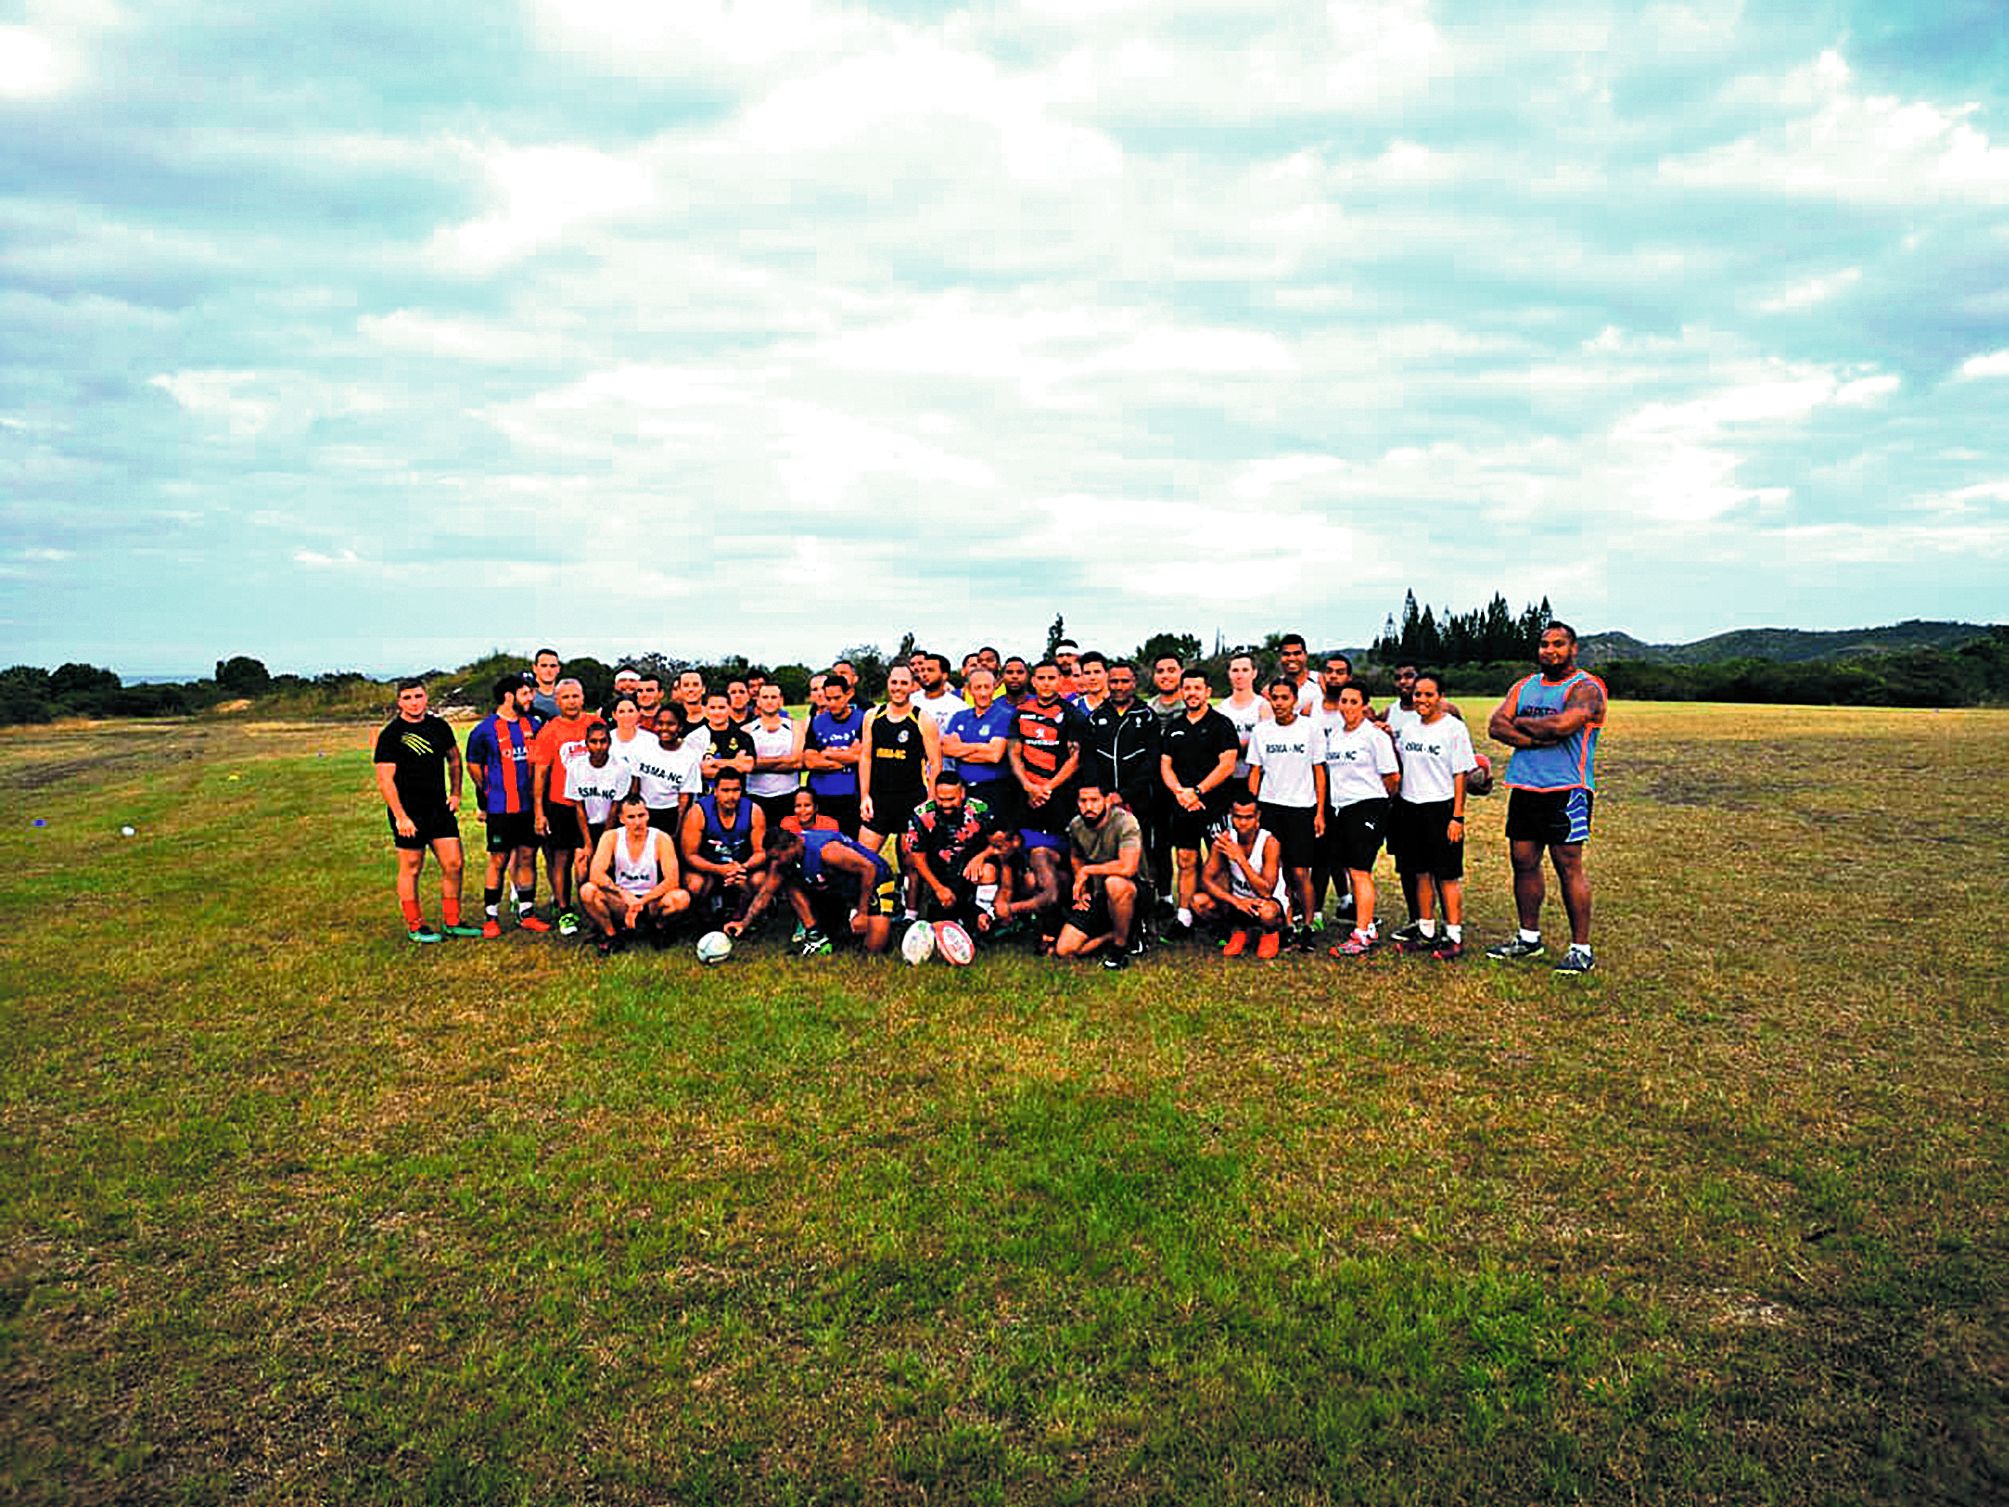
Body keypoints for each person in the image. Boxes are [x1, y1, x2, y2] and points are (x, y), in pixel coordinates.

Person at [1485, 622, 1608, 975]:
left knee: (1568, 865)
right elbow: (1496, 725)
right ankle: (1528, 938)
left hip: (1567, 788)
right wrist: (1534, 738)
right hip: (1525, 786)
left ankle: (1580, 948)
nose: (1550, 651)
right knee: (1523, 861)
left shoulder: (1586, 687)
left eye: (1558, 644)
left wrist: (1520, 723)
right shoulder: (1525, 686)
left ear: (1573, 649)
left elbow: (1563, 726)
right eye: (1544, 645)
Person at [372, 678, 476, 943]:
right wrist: (400, 816)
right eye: (407, 698)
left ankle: (453, 921)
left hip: (438, 809)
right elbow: (385, 780)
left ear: (426, 698)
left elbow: (454, 759)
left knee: (454, 863)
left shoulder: (439, 727)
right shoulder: (391, 735)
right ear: (399, 702)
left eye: (418, 696)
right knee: (412, 867)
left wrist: (455, 793)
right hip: (408, 813)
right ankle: (415, 925)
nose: (414, 702)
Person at [1390, 672, 1476, 959]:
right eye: (1417, 694)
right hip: (1410, 807)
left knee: (1447, 875)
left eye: (1428, 694)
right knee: (1420, 873)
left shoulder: (1453, 729)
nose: (1422, 700)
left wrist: (1457, 817)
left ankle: (1453, 935)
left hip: (1441, 808)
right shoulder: (1411, 729)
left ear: (1440, 697)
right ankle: (1426, 931)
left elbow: (1460, 774)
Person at [464, 673, 552, 938]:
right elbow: (474, 766)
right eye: (525, 693)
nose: (531, 698)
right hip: (501, 809)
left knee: (527, 857)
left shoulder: (533, 725)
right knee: (499, 860)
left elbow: (539, 765)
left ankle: (527, 913)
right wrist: (491, 790)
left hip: (528, 807)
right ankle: (490, 917)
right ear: (509, 696)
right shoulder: (484, 730)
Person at [1322, 683, 1402, 958]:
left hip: (1367, 807)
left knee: (1359, 870)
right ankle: (1364, 923)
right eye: (1343, 701)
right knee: (1345, 866)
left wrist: (1376, 805)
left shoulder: (1374, 736)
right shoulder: (1334, 735)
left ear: (1365, 704)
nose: (1347, 707)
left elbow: (1392, 778)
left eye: (1353, 701)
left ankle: (1363, 932)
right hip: (1339, 808)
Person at [1246, 675, 1327, 943]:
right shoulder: (1261, 731)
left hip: (1301, 808)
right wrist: (1254, 808)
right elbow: (1255, 772)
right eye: (1274, 698)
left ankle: (1309, 921)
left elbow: (1319, 772)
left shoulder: (1310, 729)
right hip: (1270, 807)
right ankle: (1287, 923)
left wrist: (1319, 812)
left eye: (1284, 698)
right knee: (1278, 870)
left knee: (1300, 870)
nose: (1279, 703)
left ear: (1294, 700)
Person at [1160, 669, 1240, 935]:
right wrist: (1180, 793)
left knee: (1221, 863)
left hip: (1214, 806)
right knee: (1185, 860)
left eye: (1197, 688)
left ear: (1208, 692)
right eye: (1187, 688)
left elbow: (1227, 765)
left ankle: (1224, 917)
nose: (1192, 693)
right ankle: (1184, 918)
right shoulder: (1174, 727)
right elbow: (1165, 766)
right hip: (1182, 806)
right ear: (1182, 691)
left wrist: (1198, 791)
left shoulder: (1222, 724)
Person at [580, 794, 691, 954]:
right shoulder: (611, 837)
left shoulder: (661, 838)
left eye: (641, 815)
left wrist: (641, 902)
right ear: (621, 819)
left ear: (648, 815)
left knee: (681, 898)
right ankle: (611, 934)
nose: (637, 822)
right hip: (622, 900)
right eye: (631, 817)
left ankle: (659, 928)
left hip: (651, 900)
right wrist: (624, 895)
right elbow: (596, 875)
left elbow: (672, 881)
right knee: (588, 891)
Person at [1054, 778, 1144, 968]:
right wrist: (1083, 889)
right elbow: (1076, 856)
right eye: (1083, 801)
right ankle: (1116, 934)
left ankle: (1119, 949)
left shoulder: (1126, 822)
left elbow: (1128, 867)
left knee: (1115, 883)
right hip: (1098, 894)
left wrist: (1087, 871)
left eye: (1094, 800)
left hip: (1133, 891)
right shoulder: (1076, 825)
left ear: (1108, 800)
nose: (1088, 806)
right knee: (1065, 950)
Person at [857, 665, 941, 868]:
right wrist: (865, 796)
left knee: (911, 863)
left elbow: (935, 763)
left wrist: (929, 802)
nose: (898, 687)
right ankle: (868, 898)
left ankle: (908, 900)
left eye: (904, 683)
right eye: (894, 682)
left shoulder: (923, 719)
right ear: (888, 684)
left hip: (911, 799)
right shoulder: (872, 716)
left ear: (913, 686)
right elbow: (866, 757)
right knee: (861, 859)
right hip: (879, 799)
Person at [529, 677, 594, 935]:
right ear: (557, 701)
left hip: (593, 803)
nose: (571, 701)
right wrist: (539, 812)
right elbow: (541, 773)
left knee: (591, 858)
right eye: (565, 697)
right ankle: (564, 909)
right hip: (561, 803)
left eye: (575, 696)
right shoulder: (549, 731)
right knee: (561, 859)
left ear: (583, 698)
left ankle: (592, 904)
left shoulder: (594, 724)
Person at [766, 826, 894, 956]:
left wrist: (862, 912)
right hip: (840, 883)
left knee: (873, 950)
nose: (776, 862)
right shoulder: (793, 853)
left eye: (777, 857)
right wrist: (744, 923)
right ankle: (816, 935)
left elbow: (869, 868)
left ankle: (889, 915)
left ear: (791, 846)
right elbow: (765, 893)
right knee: (790, 882)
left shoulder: (826, 851)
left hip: (875, 879)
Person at [1191, 794, 1287, 957]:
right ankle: (1237, 931)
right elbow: (1206, 880)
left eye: (1248, 817)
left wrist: (1240, 859)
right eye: (1238, 817)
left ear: (1257, 817)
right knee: (1198, 902)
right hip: (1238, 903)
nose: (1243, 823)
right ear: (1230, 815)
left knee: (1267, 913)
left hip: (1266, 903)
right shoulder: (1224, 839)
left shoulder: (1269, 842)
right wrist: (1236, 901)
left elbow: (1266, 891)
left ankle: (1270, 933)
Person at [902, 770, 994, 926]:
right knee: (940, 925)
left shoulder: (980, 810)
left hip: (969, 873)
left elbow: (1002, 843)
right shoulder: (922, 815)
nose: (945, 804)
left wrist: (981, 857)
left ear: (962, 793)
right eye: (941, 799)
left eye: (951, 799)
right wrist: (939, 889)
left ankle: (985, 919)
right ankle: (912, 914)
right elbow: (917, 857)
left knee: (988, 871)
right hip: (939, 876)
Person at [680, 767, 768, 928]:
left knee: (759, 880)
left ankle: (742, 917)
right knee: (694, 884)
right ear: (715, 791)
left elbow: (760, 853)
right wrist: (718, 869)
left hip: (739, 867)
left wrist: (742, 867)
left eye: (735, 790)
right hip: (708, 866)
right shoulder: (698, 812)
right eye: (725, 790)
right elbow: (689, 855)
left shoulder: (754, 811)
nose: (731, 796)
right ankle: (705, 920)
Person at [1082, 660, 1160, 829]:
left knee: (1142, 850)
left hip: (1140, 800)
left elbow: (1151, 760)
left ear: (1134, 683)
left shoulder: (1147, 716)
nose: (1119, 686)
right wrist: (1104, 795)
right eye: (1114, 681)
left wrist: (1124, 795)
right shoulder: (1095, 718)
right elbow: (1089, 759)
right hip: (1104, 801)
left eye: (1125, 681)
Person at [941, 665, 1015, 825]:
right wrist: (981, 747)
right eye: (977, 687)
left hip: (994, 789)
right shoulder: (959, 717)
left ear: (994, 688)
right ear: (969, 689)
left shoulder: (1005, 715)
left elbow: (995, 755)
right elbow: (947, 749)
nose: (982, 693)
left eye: (987, 687)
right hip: (964, 789)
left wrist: (963, 748)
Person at [802, 671, 867, 836]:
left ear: (848, 695)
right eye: (828, 699)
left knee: (850, 846)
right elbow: (810, 761)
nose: (832, 704)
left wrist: (827, 752)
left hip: (851, 795)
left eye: (837, 698)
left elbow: (860, 756)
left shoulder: (863, 720)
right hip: (821, 795)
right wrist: (844, 757)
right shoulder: (818, 722)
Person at [561, 718, 631, 859]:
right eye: (593, 742)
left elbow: (615, 808)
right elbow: (579, 807)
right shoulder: (575, 767)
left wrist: (603, 843)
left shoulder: (621, 768)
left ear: (609, 743)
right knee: (582, 862)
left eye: (603, 741)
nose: (598, 746)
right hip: (585, 825)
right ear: (586, 744)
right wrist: (588, 843)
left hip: (611, 824)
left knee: (608, 862)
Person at [746, 682, 803, 828]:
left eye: (773, 697)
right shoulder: (746, 730)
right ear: (758, 701)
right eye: (765, 697)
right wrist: (785, 761)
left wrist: (760, 763)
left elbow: (797, 762)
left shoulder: (795, 727)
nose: (769, 701)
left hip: (789, 795)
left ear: (781, 700)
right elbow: (747, 765)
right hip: (756, 796)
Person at [1216, 650, 1270, 798]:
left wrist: (1234, 747)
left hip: (1258, 778)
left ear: (1254, 673)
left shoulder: (1264, 707)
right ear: (1229, 673)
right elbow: (1217, 747)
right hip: (1228, 779)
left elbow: (1264, 746)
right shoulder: (1220, 709)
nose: (1240, 675)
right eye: (1235, 670)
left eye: (1245, 670)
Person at [697, 690, 756, 790]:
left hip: (737, 795)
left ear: (729, 708)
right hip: (705, 798)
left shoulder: (742, 736)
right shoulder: (696, 737)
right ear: (705, 710)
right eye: (712, 708)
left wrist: (715, 762)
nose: (717, 712)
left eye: (722, 708)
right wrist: (735, 762)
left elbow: (747, 766)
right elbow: (703, 771)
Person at [914, 652, 967, 731]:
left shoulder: (958, 708)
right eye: (922, 670)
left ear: (944, 675)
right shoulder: (910, 701)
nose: (924, 674)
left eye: (930, 670)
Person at [1276, 632, 1320, 716]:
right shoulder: (1272, 689)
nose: (1291, 658)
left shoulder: (1321, 683)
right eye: (1286, 654)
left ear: (1305, 655)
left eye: (1297, 653)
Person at [1069, 651, 1109, 715]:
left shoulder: (1122, 704)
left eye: (1097, 672)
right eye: (1087, 673)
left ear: (1107, 674)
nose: (1092, 677)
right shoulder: (1073, 707)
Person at [528, 647, 563, 720]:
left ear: (558, 669)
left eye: (553, 666)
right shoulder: (527, 697)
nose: (548, 670)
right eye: (544, 666)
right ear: (534, 668)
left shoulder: (567, 697)